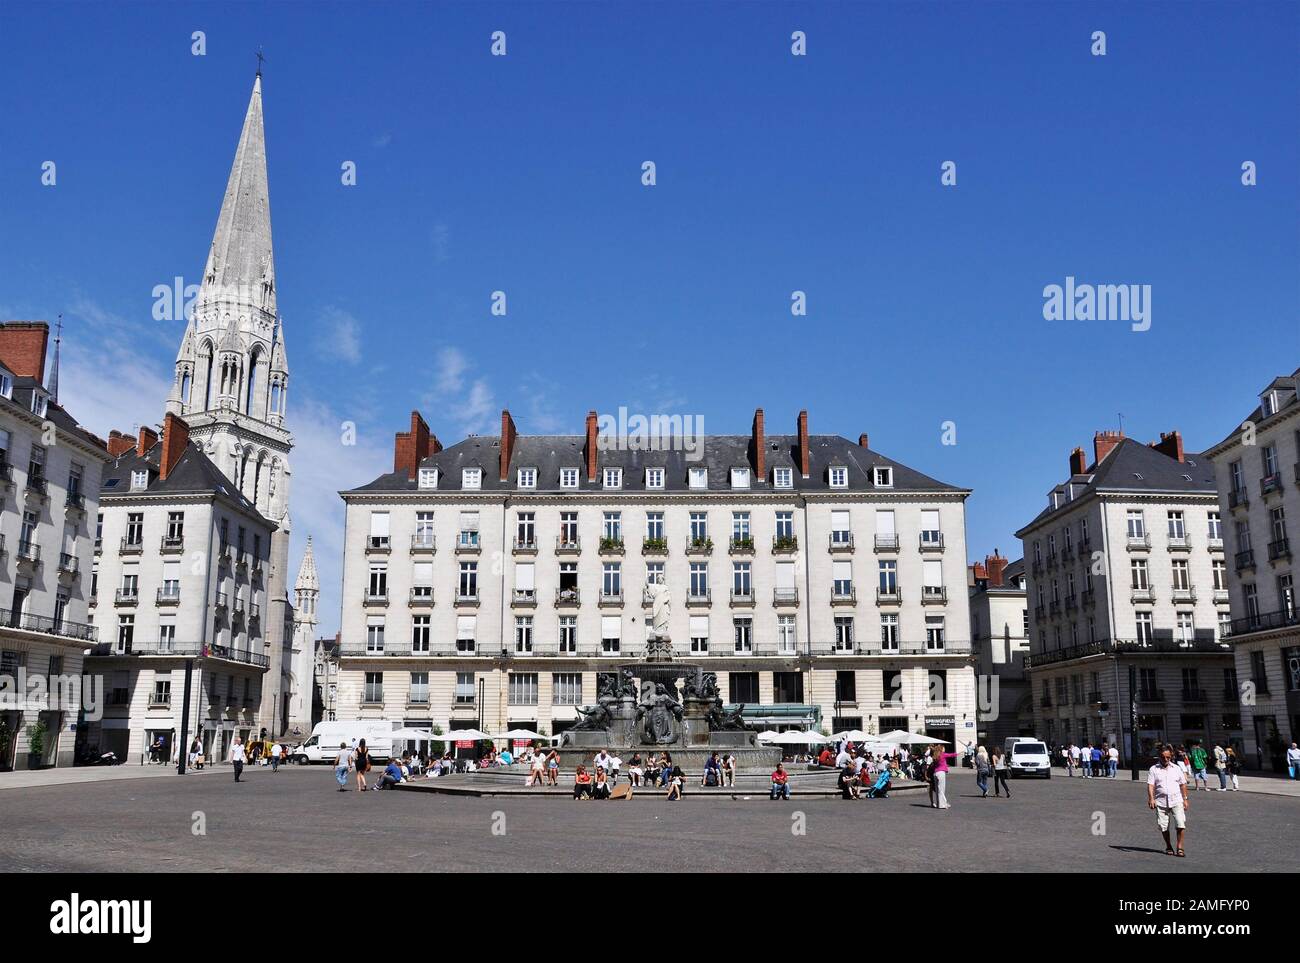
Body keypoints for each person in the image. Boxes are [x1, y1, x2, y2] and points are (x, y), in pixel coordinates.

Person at [1147, 745, 1190, 857]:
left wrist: (1185, 799)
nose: (1166, 760)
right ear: (1159, 757)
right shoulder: (1153, 769)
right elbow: (1151, 785)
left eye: (1168, 757)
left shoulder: (1176, 768)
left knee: (1180, 824)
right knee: (1163, 826)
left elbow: (1183, 784)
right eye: (1163, 757)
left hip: (1176, 800)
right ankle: (1168, 845)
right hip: (1161, 801)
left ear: (1171, 757)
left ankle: (1180, 847)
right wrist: (1151, 798)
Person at [931, 744, 959, 809]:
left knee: (938, 790)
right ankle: (943, 804)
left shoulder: (935, 755)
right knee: (941, 789)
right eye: (943, 748)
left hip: (935, 773)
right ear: (941, 749)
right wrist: (957, 753)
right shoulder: (942, 754)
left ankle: (939, 804)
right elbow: (951, 755)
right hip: (941, 773)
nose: (944, 749)